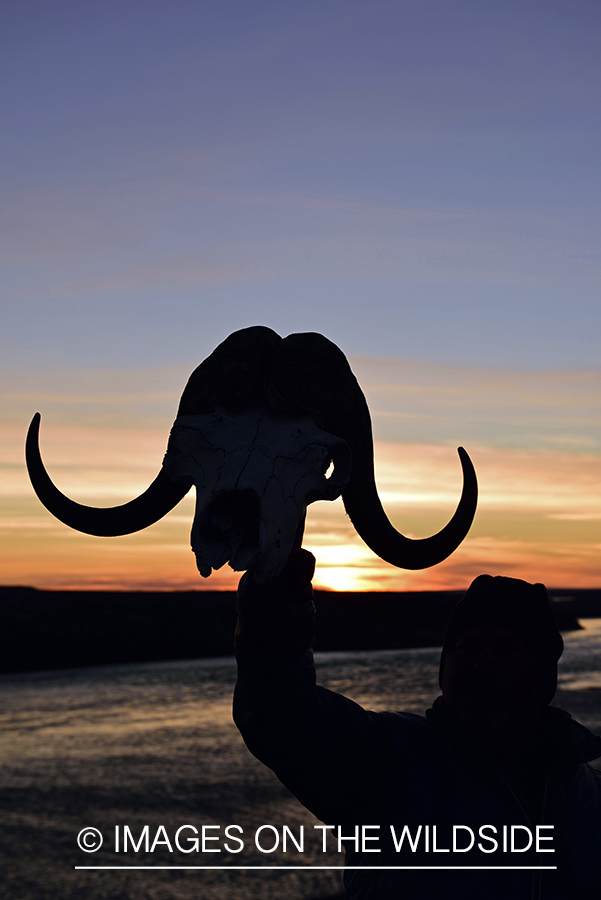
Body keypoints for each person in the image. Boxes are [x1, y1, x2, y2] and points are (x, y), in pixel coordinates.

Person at [233, 550, 601, 899]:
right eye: (466, 648)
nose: (482, 665)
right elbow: (280, 714)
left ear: (543, 677)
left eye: (507, 650)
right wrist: (275, 601)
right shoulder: (385, 760)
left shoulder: (590, 796)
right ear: (444, 669)